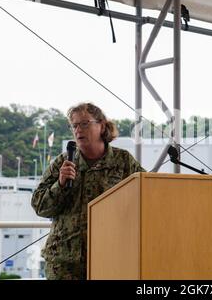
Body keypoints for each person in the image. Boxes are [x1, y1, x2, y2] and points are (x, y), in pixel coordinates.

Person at [31, 102, 145, 280]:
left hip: (109, 256)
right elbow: (40, 207)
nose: (78, 130)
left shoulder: (123, 161)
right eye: (74, 125)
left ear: (102, 125)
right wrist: (59, 184)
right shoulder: (62, 163)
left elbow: (145, 197)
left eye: (84, 123)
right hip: (64, 261)